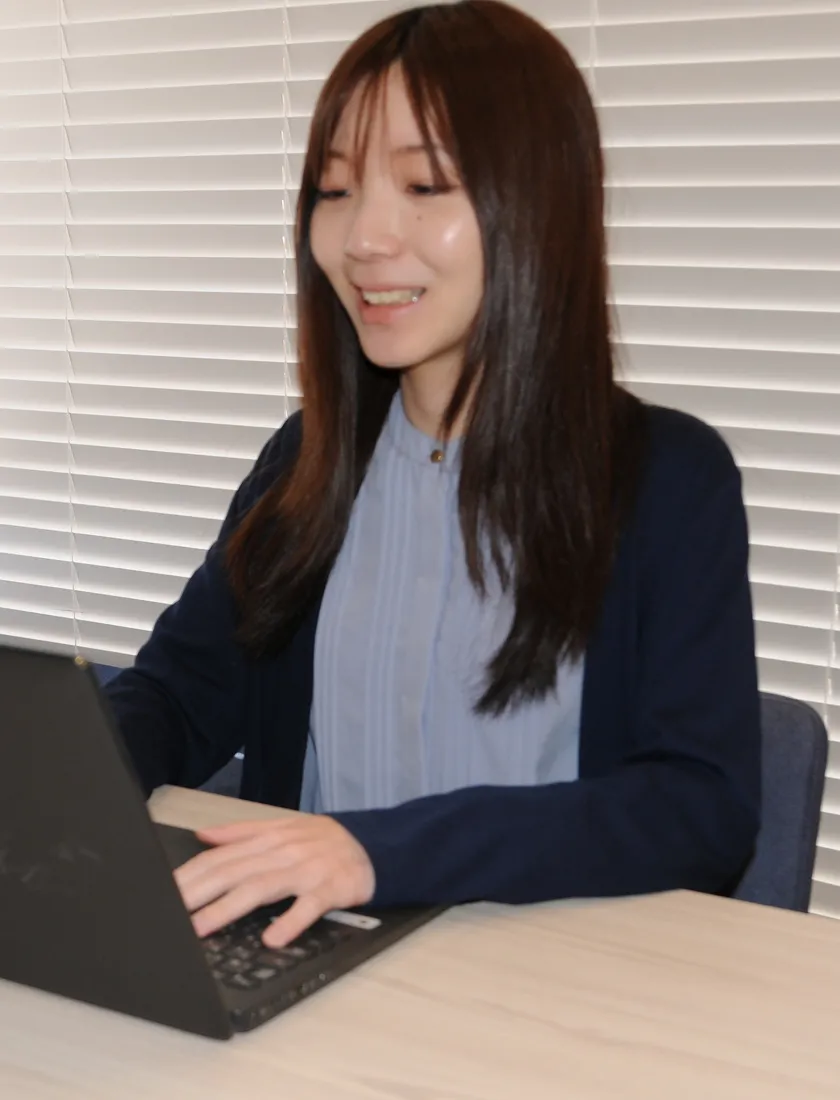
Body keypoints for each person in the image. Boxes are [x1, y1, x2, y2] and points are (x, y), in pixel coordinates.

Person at [106, 0, 761, 949]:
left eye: (423, 184)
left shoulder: (667, 479)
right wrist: (58, 778)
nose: (364, 238)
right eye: (336, 189)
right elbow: (177, 694)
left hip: (551, 972)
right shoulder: (307, 461)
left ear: (536, 204)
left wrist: (377, 851)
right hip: (314, 957)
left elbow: (698, 807)